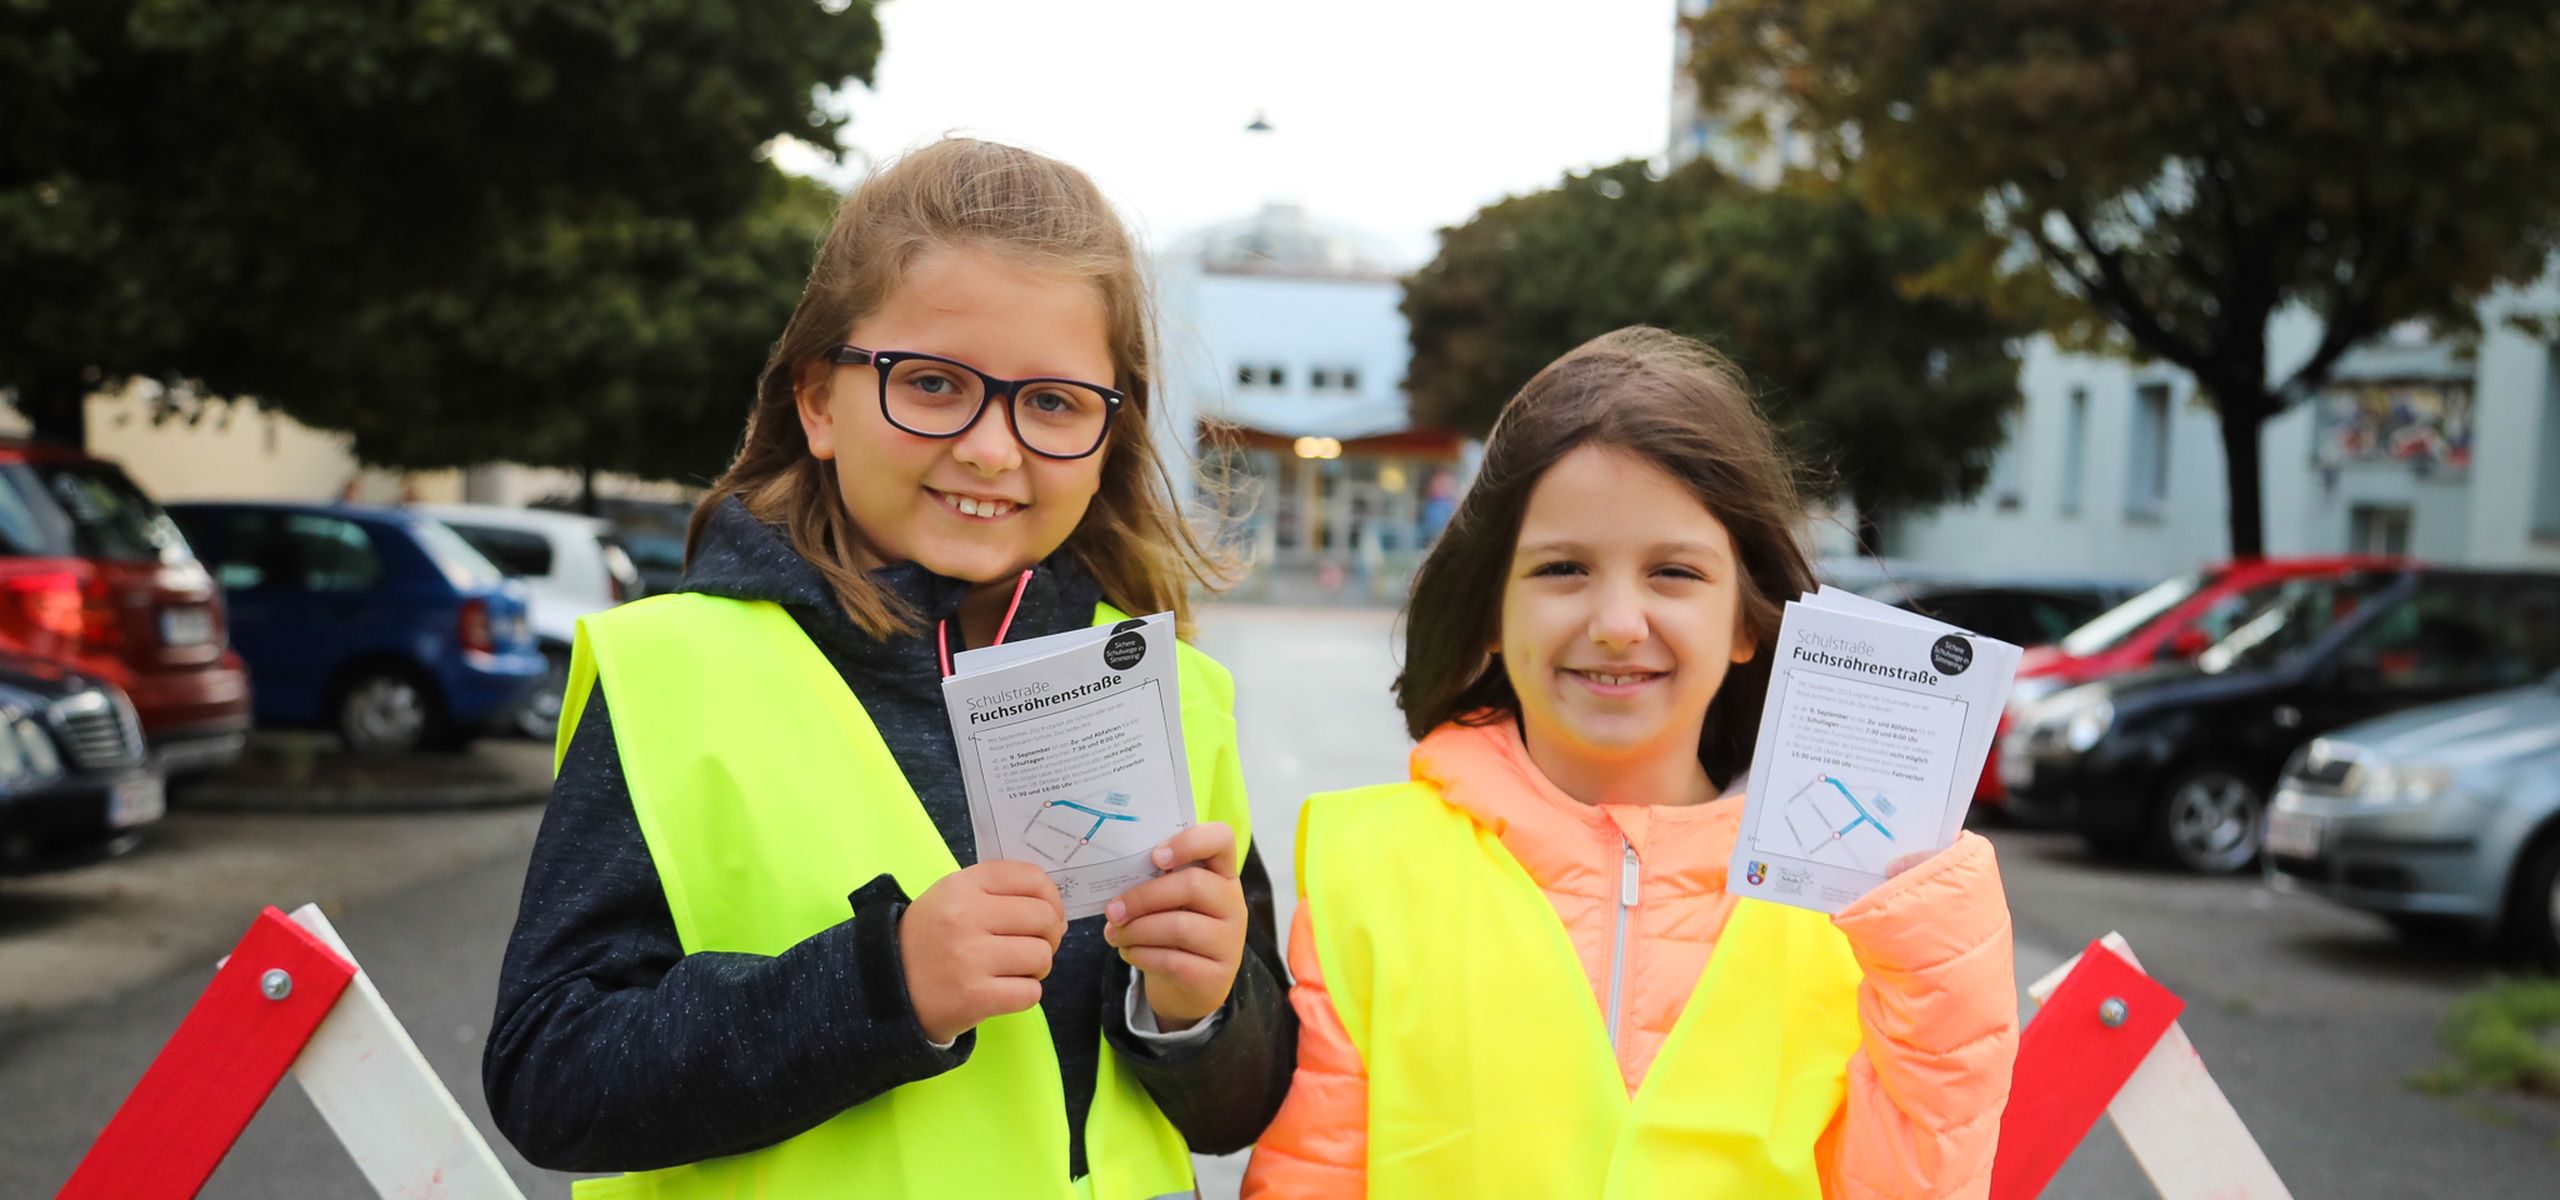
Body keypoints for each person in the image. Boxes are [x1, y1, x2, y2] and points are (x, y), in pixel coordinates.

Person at [482, 138, 1296, 1198]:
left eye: (1052, 403)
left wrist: (1195, 1014)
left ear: (1108, 433)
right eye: (931, 383)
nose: (993, 449)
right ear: (818, 401)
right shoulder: (670, 674)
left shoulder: (1177, 695)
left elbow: (1239, 1106)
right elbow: (551, 1076)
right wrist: (883, 983)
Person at [1244, 327, 2017, 1198]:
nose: (1617, 621)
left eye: (1674, 573)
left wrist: (1938, 970)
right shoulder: (1371, 868)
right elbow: (1313, 1174)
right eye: (1564, 568)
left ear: (1747, 621)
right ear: (1492, 610)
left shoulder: (1869, 904)